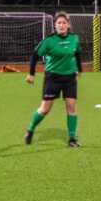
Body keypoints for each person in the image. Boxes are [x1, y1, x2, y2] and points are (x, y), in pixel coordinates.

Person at [24, 11, 82, 147]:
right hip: (53, 78)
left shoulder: (74, 38)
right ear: (55, 26)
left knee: (71, 106)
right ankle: (30, 129)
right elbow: (35, 56)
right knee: (45, 109)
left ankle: (72, 139)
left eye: (64, 23)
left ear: (68, 25)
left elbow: (78, 53)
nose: (61, 25)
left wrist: (79, 68)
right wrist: (31, 74)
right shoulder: (49, 41)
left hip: (70, 78)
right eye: (58, 23)